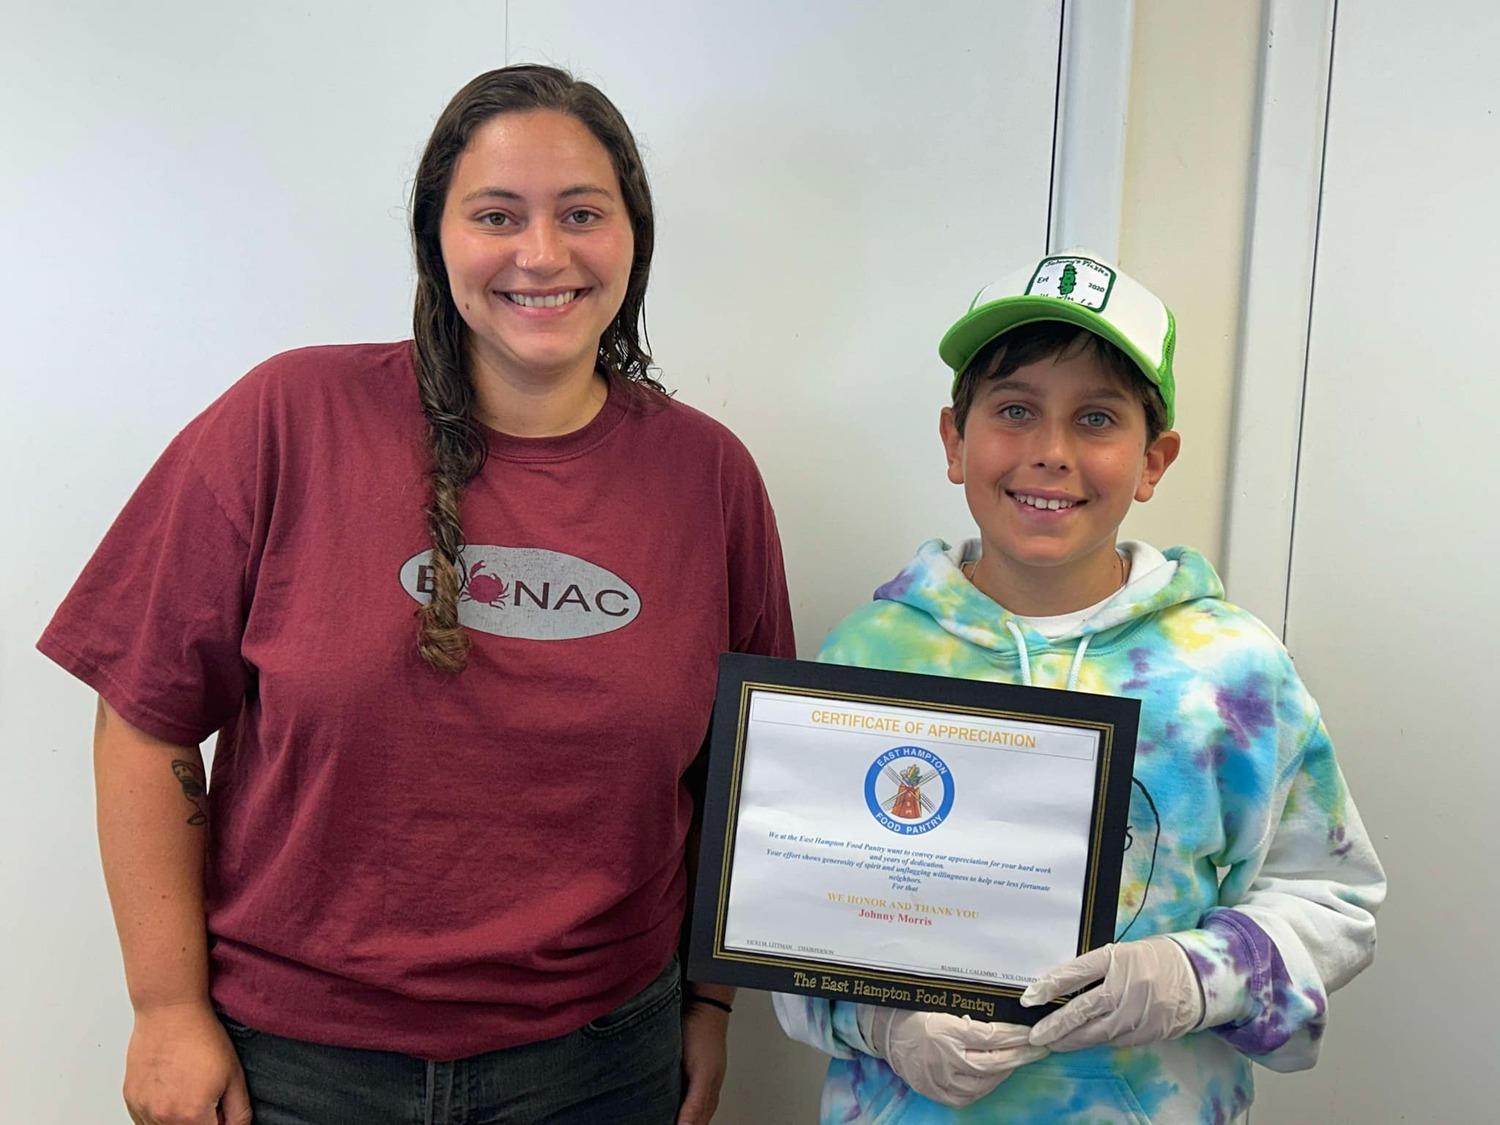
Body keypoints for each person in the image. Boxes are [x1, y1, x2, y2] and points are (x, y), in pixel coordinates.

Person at [38, 64, 793, 1125]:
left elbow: (749, 766)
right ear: (436, 239)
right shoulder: (286, 418)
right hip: (295, 1067)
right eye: (497, 215)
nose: (543, 253)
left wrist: (711, 1002)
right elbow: (143, 719)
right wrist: (164, 1007)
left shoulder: (709, 479)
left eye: (582, 212)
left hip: (603, 1061)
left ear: (634, 236)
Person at [773, 249, 1384, 1123]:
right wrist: (879, 1014)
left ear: (1152, 460)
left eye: (1096, 418)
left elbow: (1338, 900)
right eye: (1015, 410)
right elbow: (785, 914)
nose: (1050, 452)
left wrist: (1198, 975)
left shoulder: (1231, 671)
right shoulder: (867, 660)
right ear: (955, 439)